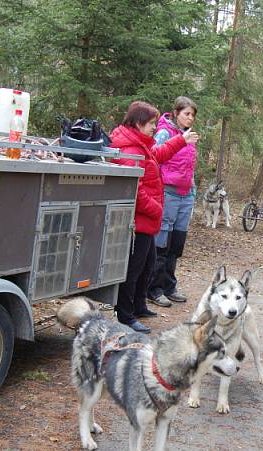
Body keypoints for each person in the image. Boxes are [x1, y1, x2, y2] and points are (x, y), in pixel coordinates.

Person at [109, 101, 199, 333]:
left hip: (147, 221)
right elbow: (135, 190)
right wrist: (157, 208)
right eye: (150, 123)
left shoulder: (141, 144)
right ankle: (125, 314)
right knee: (133, 269)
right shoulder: (131, 150)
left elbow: (158, 154)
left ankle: (139, 305)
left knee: (147, 264)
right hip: (137, 222)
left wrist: (181, 140)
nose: (154, 127)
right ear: (139, 123)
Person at [147, 97, 199, 308]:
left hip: (186, 194)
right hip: (168, 193)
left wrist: (192, 188)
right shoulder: (164, 133)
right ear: (176, 113)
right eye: (187, 113)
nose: (190, 118)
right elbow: (155, 158)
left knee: (177, 242)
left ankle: (169, 285)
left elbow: (188, 165)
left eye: (193, 115)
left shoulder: (189, 136)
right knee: (162, 242)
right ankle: (154, 288)